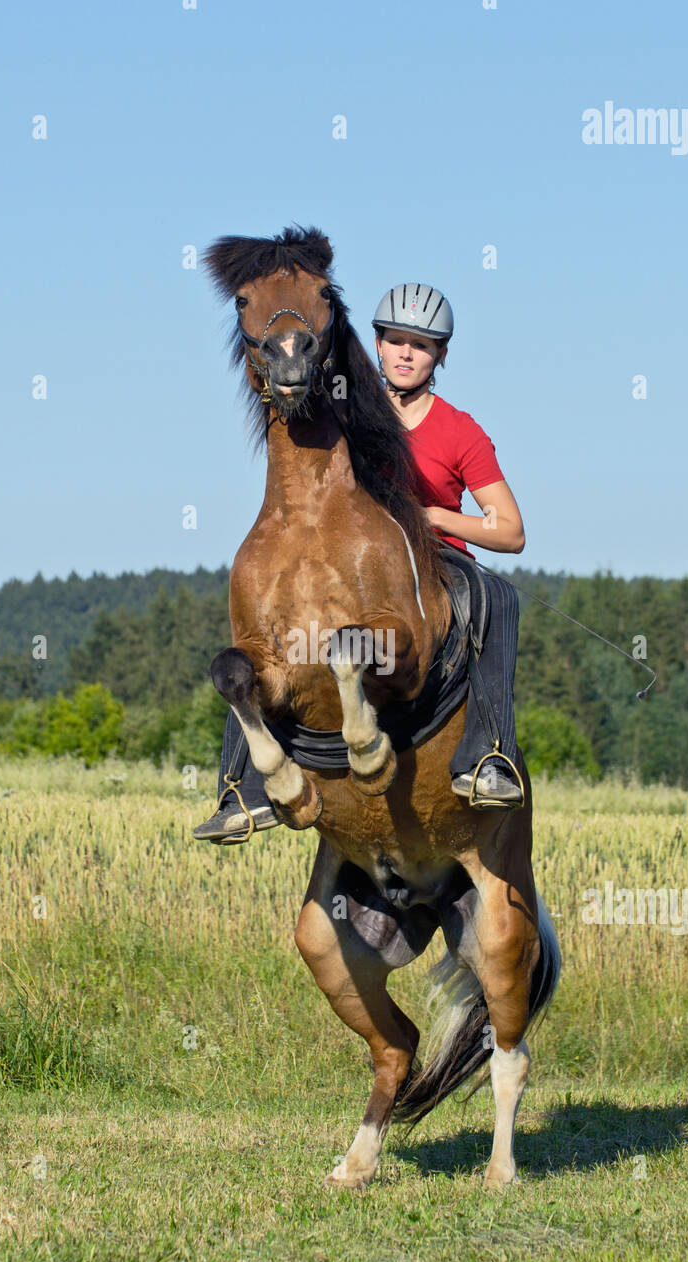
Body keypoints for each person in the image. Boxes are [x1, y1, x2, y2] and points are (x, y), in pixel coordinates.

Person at [193, 283, 525, 845]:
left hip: (431, 562)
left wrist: (436, 518)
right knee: (259, 633)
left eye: (420, 345)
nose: (404, 353)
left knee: (500, 597)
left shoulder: (459, 430)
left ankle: (488, 755)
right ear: (374, 342)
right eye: (394, 340)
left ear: (441, 354)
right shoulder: (343, 406)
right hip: (346, 563)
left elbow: (510, 531)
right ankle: (242, 786)